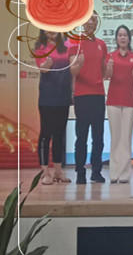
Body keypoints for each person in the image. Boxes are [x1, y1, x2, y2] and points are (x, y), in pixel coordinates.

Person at [68, 12, 107, 184]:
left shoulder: (101, 44)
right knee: (81, 136)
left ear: (97, 23)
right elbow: (72, 71)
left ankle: (96, 171)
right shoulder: (74, 42)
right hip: (82, 95)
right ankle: (80, 171)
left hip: (98, 95)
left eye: (94, 20)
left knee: (98, 137)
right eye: (88, 20)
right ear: (83, 22)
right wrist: (80, 63)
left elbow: (104, 72)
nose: (91, 23)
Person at [34, 30, 72, 185]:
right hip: (47, 97)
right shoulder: (40, 47)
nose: (52, 31)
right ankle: (45, 173)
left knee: (59, 134)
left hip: (63, 96)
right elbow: (42, 68)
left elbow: (73, 67)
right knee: (46, 134)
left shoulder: (67, 45)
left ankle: (58, 171)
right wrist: (46, 65)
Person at [104, 25, 133, 183]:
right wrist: (109, 68)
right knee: (115, 137)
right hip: (113, 100)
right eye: (120, 35)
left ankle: (124, 173)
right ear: (116, 38)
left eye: (125, 35)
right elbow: (106, 76)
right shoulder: (110, 56)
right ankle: (114, 172)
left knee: (126, 137)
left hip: (129, 101)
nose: (122, 38)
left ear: (129, 38)